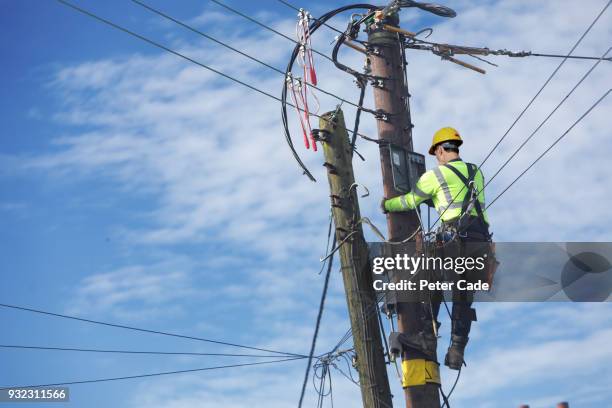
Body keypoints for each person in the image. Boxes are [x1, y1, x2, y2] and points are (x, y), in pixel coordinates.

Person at [382, 126, 492, 370]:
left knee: (430, 280)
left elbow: (410, 200)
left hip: (455, 239)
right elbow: (458, 197)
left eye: (436, 154)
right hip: (480, 241)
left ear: (441, 150)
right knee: (463, 297)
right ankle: (456, 351)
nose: (437, 159)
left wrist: (387, 204)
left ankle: (426, 337)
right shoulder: (476, 172)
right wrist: (436, 200)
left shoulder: (434, 175)